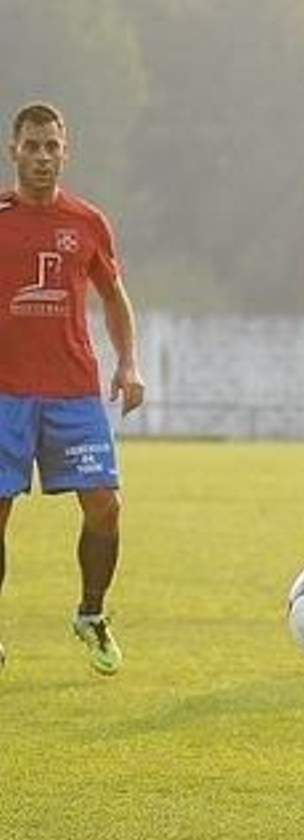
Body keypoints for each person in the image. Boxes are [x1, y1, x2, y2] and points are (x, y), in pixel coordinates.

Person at [0, 102, 145, 677]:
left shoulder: (87, 222)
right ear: (14, 150)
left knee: (105, 507)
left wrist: (128, 362)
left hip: (73, 393)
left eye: (51, 146)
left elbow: (113, 296)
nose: (41, 156)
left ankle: (91, 613)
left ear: (66, 151)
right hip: (4, 393)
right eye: (31, 145)